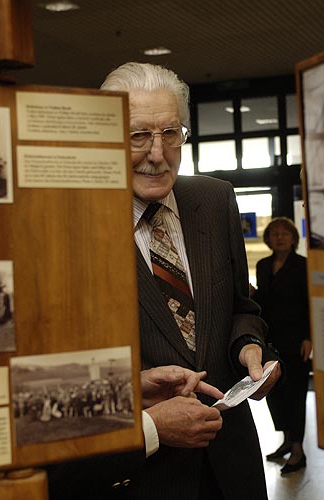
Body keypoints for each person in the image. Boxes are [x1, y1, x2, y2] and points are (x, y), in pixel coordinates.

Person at [52, 61, 281, 500]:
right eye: (138, 135)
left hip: (232, 467)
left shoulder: (214, 200)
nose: (157, 153)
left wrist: (249, 348)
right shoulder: (70, 232)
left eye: (170, 133)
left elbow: (240, 308)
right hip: (140, 475)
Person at [251, 217, 311, 474]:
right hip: (270, 341)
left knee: (296, 395)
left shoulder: (303, 265)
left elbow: (310, 302)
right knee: (275, 394)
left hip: (297, 340)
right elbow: (264, 302)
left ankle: (298, 451)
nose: (279, 237)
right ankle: (286, 440)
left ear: (294, 237)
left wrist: (310, 337)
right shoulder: (263, 265)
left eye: (285, 233)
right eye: (274, 233)